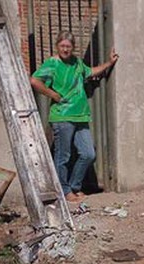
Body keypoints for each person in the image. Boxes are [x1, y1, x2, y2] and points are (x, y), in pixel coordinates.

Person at [30, 31, 119, 202]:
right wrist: (52, 94)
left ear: (73, 48)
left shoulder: (77, 63)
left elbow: (91, 72)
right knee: (63, 156)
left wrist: (109, 63)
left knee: (88, 154)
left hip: (80, 115)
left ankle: (74, 187)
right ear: (57, 46)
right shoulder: (52, 64)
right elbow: (34, 81)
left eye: (68, 47)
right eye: (62, 46)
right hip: (62, 117)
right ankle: (64, 191)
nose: (65, 49)